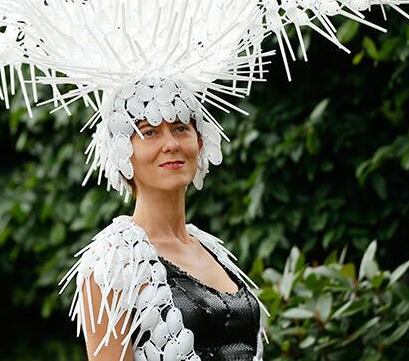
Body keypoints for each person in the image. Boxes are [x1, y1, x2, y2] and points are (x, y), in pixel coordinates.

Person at [61, 85, 267, 361]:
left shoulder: (213, 251)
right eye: (149, 132)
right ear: (123, 151)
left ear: (200, 142)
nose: (171, 144)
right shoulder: (112, 263)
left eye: (181, 128)